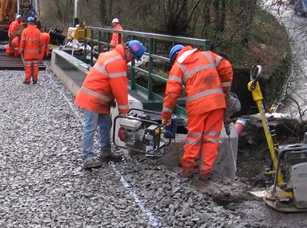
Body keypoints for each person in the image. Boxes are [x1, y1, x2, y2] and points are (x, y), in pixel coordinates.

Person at [162, 45, 234, 180]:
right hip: (217, 103)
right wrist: (224, 91)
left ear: (174, 58)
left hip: (197, 105)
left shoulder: (179, 66)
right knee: (211, 138)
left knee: (194, 137)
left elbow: (171, 94)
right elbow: (227, 67)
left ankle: (188, 169)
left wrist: (166, 116)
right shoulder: (207, 55)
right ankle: (205, 172)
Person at [74, 40, 146, 169]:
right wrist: (125, 114)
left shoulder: (113, 56)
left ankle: (105, 152)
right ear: (128, 51)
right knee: (90, 126)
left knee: (106, 124)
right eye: (133, 56)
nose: (132, 60)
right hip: (92, 98)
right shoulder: (117, 62)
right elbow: (120, 91)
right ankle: (87, 158)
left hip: (100, 99)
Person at [19, 16, 43, 84]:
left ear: (27, 23)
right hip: (35, 53)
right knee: (35, 66)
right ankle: (35, 80)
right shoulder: (38, 31)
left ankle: (27, 80)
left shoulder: (25, 31)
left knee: (28, 67)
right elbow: (40, 42)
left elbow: (22, 41)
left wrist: (20, 50)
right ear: (33, 23)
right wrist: (40, 50)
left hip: (27, 53)